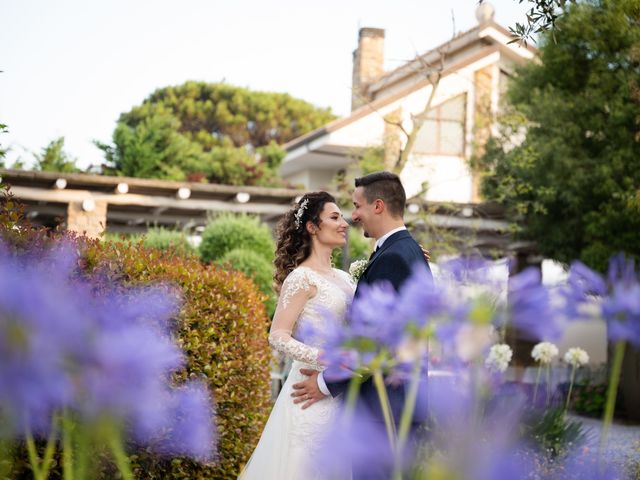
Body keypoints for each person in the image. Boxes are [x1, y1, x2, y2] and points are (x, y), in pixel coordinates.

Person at [290, 171, 433, 479]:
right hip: (395, 407)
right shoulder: (402, 252)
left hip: (384, 412)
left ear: (378, 206)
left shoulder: (395, 258)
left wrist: (325, 383)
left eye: (356, 206)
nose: (352, 217)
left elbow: (375, 342)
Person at [239, 191, 354, 480]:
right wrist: (323, 357)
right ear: (312, 227)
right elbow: (277, 335)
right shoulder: (301, 278)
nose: (344, 223)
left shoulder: (345, 279)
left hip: (340, 392)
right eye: (335, 217)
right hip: (307, 392)